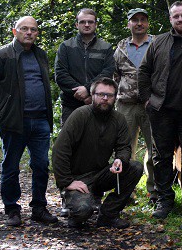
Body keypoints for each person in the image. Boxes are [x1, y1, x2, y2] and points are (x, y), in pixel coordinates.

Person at [0, 16, 58, 227]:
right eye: (24, 29)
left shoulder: (40, 54)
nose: (29, 33)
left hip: (40, 119)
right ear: (15, 31)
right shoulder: (0, 56)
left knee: (41, 165)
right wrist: (2, 114)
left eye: (33, 29)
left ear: (37, 33)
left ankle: (39, 208)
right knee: (11, 166)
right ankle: (12, 209)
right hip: (15, 122)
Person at [52, 77, 143, 229]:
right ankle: (75, 210)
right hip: (78, 178)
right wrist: (67, 182)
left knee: (135, 167)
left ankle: (108, 215)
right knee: (83, 211)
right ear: (93, 95)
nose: (105, 98)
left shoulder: (118, 119)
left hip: (101, 174)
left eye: (110, 95)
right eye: (101, 94)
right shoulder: (80, 115)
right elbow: (60, 150)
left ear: (115, 98)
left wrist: (120, 159)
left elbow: (124, 147)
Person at [138, 1, 182, 219]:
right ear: (170, 19)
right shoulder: (159, 42)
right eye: (176, 16)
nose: (180, 19)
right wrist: (147, 99)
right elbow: (144, 71)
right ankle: (164, 201)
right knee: (161, 157)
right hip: (162, 109)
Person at [113, 8, 156, 202]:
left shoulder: (156, 43)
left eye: (143, 20)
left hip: (151, 104)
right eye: (135, 20)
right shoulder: (121, 47)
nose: (139, 23)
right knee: (124, 148)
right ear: (129, 24)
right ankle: (125, 191)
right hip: (126, 105)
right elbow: (115, 75)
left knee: (154, 148)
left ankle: (154, 192)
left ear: (147, 23)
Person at [55, 8, 115, 124]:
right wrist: (82, 95)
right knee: (70, 140)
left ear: (96, 24)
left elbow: (107, 73)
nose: (86, 25)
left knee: (99, 140)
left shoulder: (105, 47)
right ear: (77, 25)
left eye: (90, 22)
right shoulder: (66, 47)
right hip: (71, 105)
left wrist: (88, 90)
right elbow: (61, 74)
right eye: (82, 22)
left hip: (98, 104)